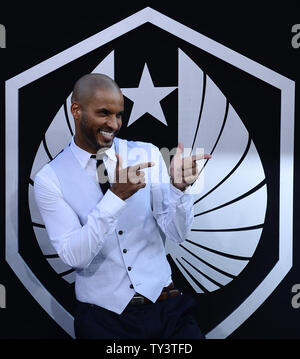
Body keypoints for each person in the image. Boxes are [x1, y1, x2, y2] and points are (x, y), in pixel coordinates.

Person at [34, 73, 211, 339]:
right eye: (104, 113)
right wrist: (115, 198)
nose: (113, 124)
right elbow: (74, 257)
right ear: (76, 110)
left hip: (167, 310)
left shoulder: (146, 154)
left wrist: (179, 190)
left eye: (118, 114)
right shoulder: (50, 178)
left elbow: (177, 234)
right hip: (103, 322)